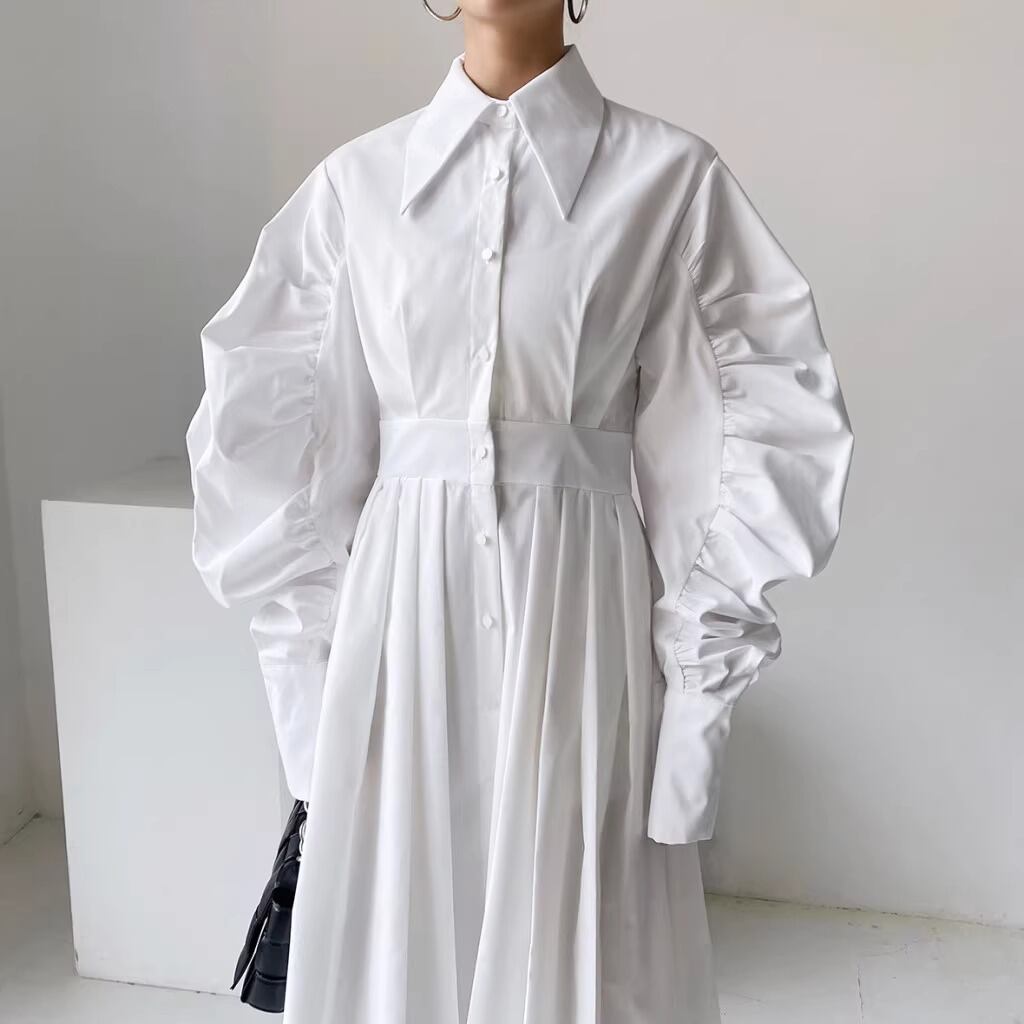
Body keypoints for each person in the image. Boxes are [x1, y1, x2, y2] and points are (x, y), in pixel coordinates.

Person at [185, 1, 854, 1020]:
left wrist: (695, 717)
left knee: (580, 941)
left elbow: (736, 436)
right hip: (399, 632)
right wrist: (312, 712)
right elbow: (292, 453)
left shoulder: (670, 181)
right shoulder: (358, 187)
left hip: (584, 623)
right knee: (406, 935)